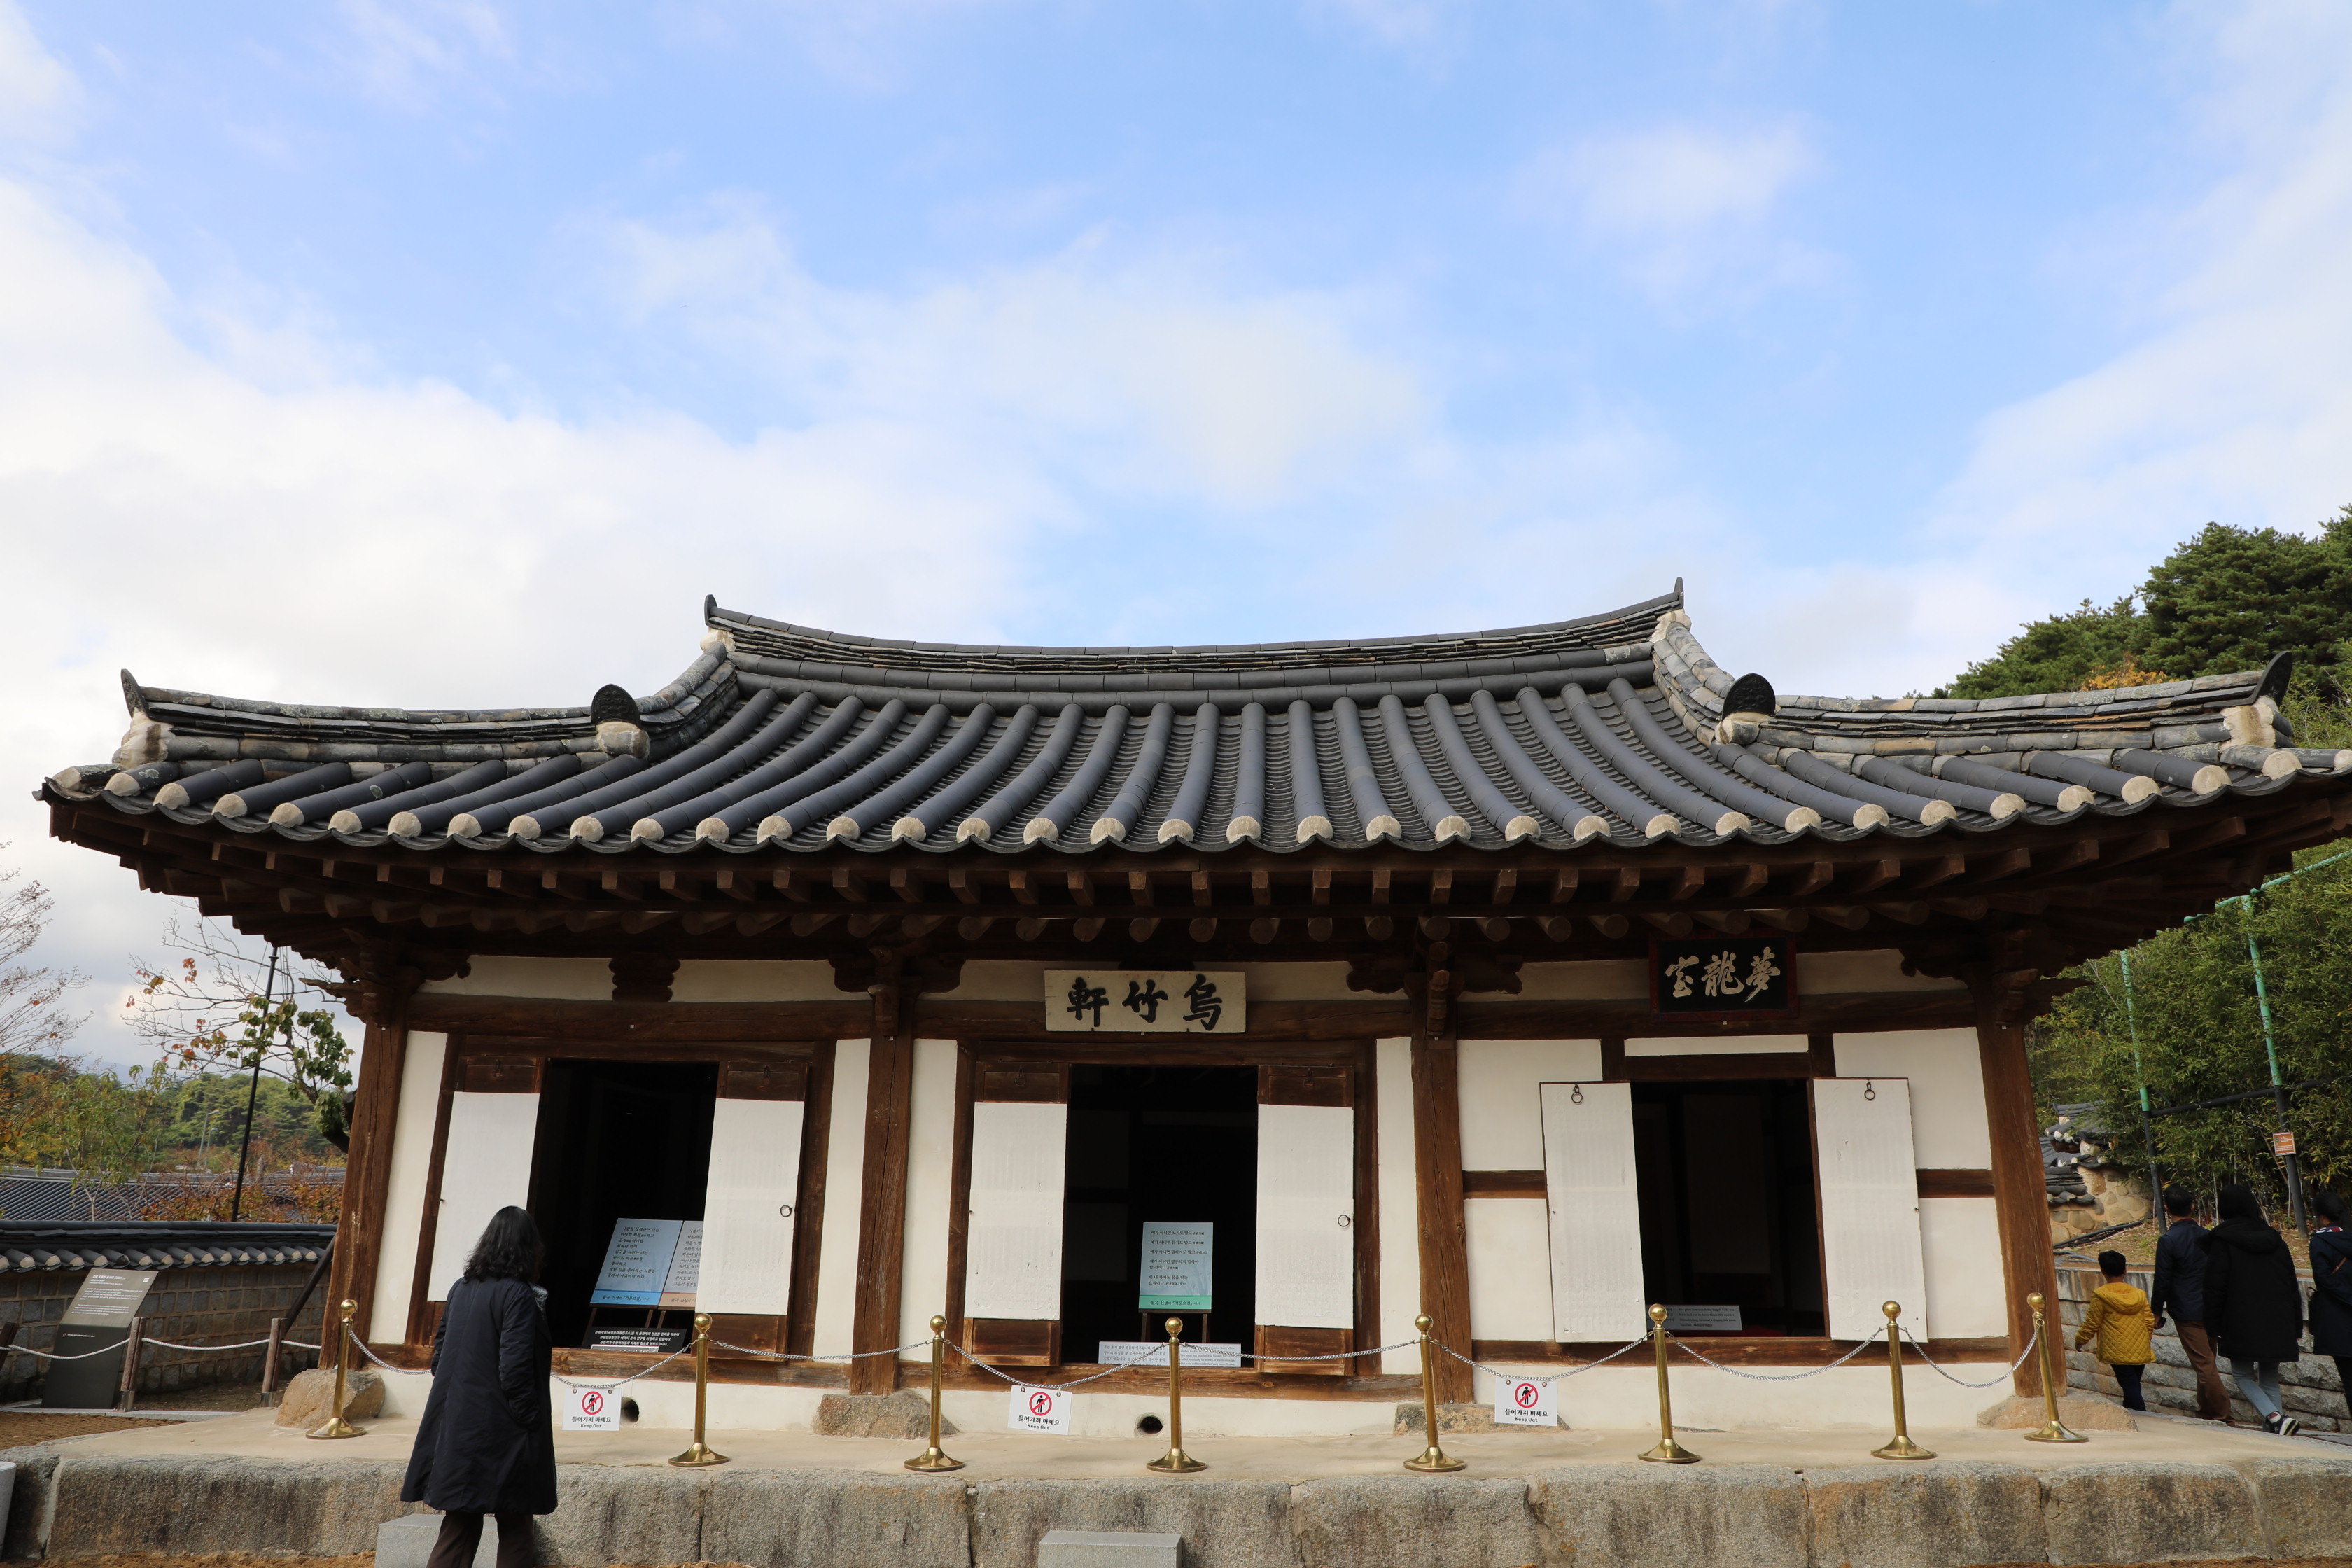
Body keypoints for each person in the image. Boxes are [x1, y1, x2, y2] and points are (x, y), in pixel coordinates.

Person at [402, 1207, 557, 1568]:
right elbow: (515, 1369)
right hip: (504, 1428)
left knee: (459, 1522)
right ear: (529, 1247)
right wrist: (530, 1419)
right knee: (516, 1520)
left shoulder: (461, 1288)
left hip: (457, 1421)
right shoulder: (518, 1294)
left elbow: (439, 1358)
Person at [2201, 1183, 2304, 1436]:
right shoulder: (2275, 1239)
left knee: (2242, 1375)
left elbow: (2215, 1287)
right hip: (2278, 1318)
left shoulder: (2223, 1241)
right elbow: (2291, 1284)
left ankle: (2275, 1417)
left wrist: (2213, 1325)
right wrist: (2295, 1323)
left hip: (2240, 1319)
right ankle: (2277, 1432)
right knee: (2269, 1379)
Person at [2150, 1185, 2234, 1421]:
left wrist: (2156, 1311)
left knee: (2204, 1364)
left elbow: (2163, 1278)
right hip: (2213, 1307)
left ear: (2167, 1209)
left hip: (2187, 1310)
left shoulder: (2168, 1240)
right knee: (2207, 1361)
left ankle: (2223, 1415)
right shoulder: (2209, 1236)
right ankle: (2206, 1410)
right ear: (2193, 1207)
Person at [2074, 1249, 2155, 1411]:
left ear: (2103, 1271)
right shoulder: (2140, 1294)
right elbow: (2149, 1320)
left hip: (2117, 1348)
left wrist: (2080, 1340)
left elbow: (2092, 1322)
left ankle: (2140, 1414)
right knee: (2133, 1383)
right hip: (2140, 1347)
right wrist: (2146, 1340)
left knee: (2129, 1384)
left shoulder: (2101, 1295)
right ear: (2125, 1271)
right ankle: (2131, 1410)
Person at [2311, 1189, 2352, 1404]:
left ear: (2321, 1216)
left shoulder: (2320, 1241)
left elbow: (2324, 1279)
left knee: (2350, 1381)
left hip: (2338, 1323)